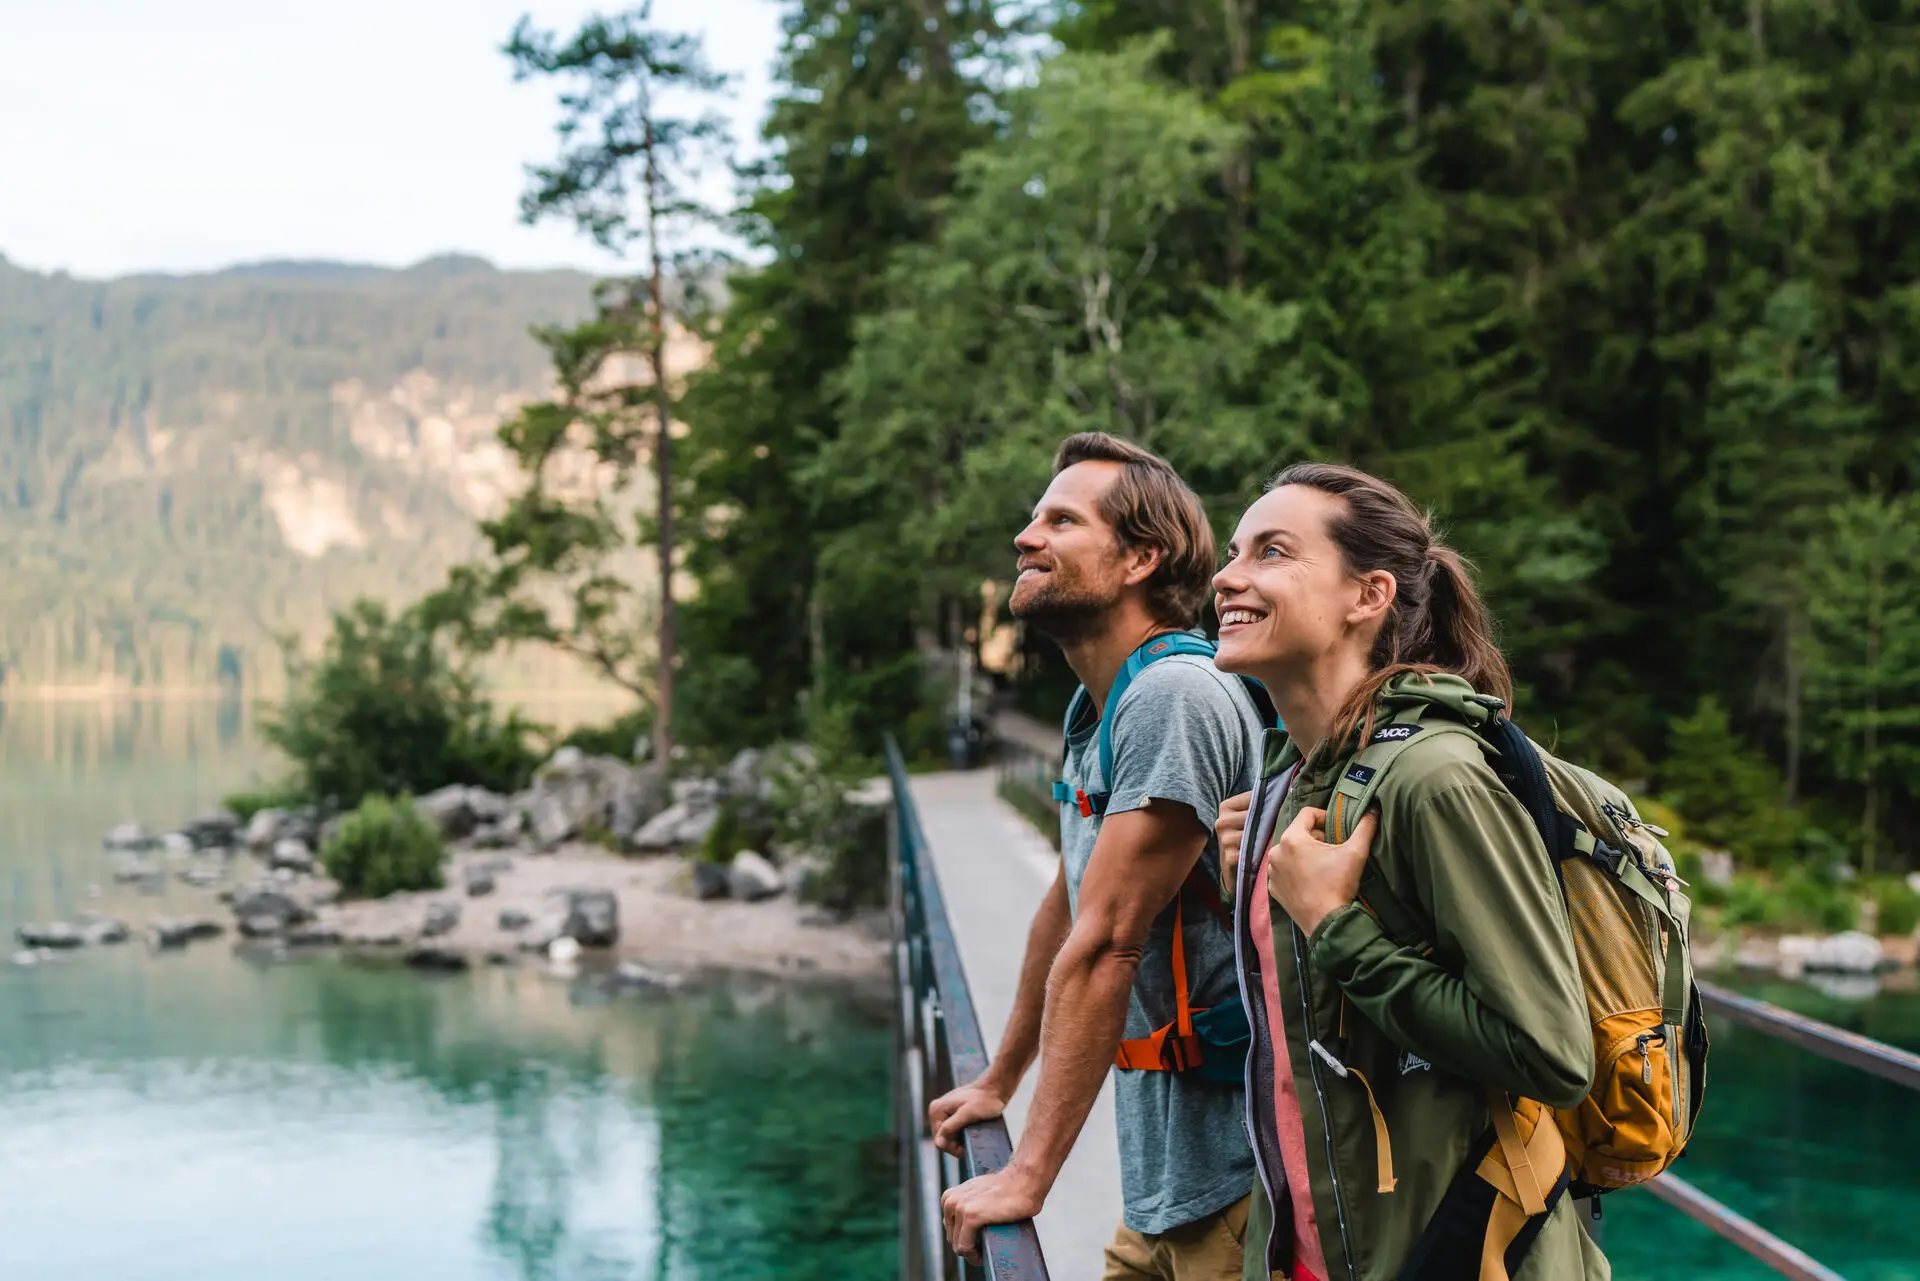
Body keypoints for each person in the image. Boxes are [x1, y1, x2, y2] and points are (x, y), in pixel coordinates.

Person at [1210, 463, 1605, 1281]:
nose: (1226, 574)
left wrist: (1335, 928)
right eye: (1233, 550)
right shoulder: (1291, 781)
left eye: (1272, 551)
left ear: (1369, 595)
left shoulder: (1437, 778)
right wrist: (1250, 882)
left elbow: (1554, 1053)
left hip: (1460, 1257)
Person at [931, 432, 1266, 1279]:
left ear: (1138, 559)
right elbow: (1069, 899)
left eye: (1060, 520)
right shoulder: (1103, 703)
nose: (1025, 535)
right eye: (1033, 517)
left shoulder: (1174, 697)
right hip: (1166, 1189)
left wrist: (1027, 1176)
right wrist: (999, 1079)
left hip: (1240, 1188)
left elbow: (1107, 942)